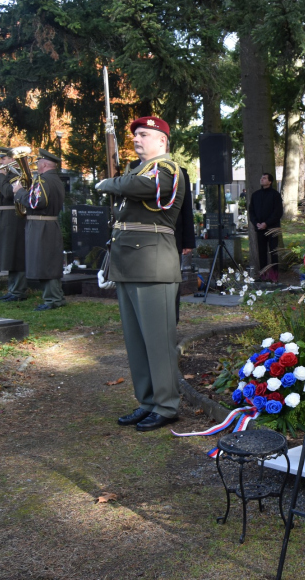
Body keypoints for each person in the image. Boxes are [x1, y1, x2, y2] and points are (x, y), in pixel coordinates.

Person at [95, 116, 186, 432]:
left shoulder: (167, 170)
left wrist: (108, 182)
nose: (136, 138)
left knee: (159, 342)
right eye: (134, 134)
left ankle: (166, 405)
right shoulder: (136, 170)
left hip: (153, 265)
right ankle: (147, 401)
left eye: (144, 134)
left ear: (162, 140)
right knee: (137, 342)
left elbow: (145, 188)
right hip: (129, 265)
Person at [12, 149, 65, 311]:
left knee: (45, 262)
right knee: (47, 261)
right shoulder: (55, 179)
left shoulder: (43, 181)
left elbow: (36, 203)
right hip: (48, 224)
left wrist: (19, 192)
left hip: (41, 226)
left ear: (43, 164)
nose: (36, 166)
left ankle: (53, 299)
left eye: (37, 163)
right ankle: (54, 297)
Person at [0, 148, 27, 301]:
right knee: (8, 255)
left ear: (13, 160)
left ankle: (18, 290)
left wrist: (0, 177)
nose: (0, 161)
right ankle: (13, 290)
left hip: (13, 218)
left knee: (15, 253)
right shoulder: (6, 175)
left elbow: (8, 193)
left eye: (4, 158)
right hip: (3, 217)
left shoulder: (17, 175)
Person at [248, 172, 282, 282]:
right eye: (261, 177)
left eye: (264, 178)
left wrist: (266, 223)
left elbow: (278, 212)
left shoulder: (275, 195)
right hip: (259, 229)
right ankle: (263, 275)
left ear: (270, 181)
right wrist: (256, 223)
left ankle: (274, 277)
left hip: (272, 228)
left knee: (273, 252)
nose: (262, 179)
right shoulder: (255, 195)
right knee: (261, 252)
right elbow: (251, 211)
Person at [173, 168, 195, 323]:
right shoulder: (133, 168)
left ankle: (171, 322)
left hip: (172, 237)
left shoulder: (178, 172)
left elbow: (186, 208)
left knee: (172, 283)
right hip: (140, 240)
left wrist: (188, 241)